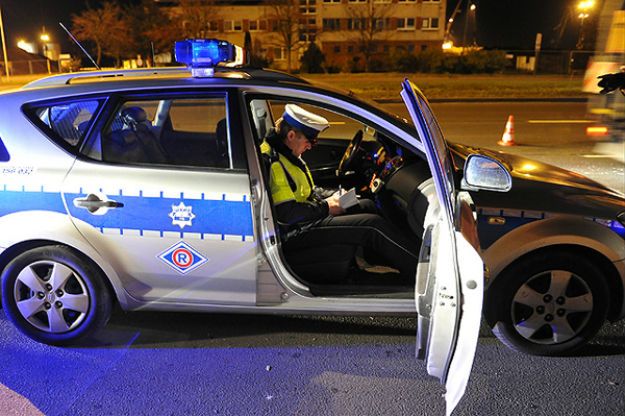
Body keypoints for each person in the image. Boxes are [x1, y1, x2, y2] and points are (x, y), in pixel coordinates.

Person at [260, 104, 419, 282]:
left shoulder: (287, 154)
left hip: (307, 218)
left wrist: (336, 196)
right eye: (310, 141)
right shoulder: (275, 163)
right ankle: (420, 271)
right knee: (372, 225)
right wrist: (327, 207)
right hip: (296, 232)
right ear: (291, 136)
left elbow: (307, 190)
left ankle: (391, 260)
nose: (311, 146)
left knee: (366, 204)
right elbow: (287, 214)